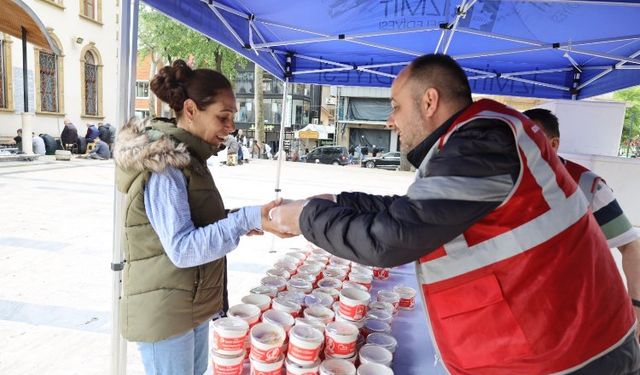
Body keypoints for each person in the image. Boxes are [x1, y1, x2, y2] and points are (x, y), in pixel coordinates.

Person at [268, 54, 639, 374]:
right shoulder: (475, 137)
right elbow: (416, 210)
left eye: (396, 106)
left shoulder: (482, 142)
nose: (389, 122)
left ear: (429, 101)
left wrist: (306, 217)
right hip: (555, 345)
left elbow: (392, 238)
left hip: (569, 357)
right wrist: (337, 200)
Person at [113, 59, 284, 375]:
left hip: (188, 303)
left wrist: (242, 219)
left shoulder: (190, 158)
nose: (230, 127)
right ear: (190, 110)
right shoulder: (164, 163)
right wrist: (243, 220)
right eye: (223, 117)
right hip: (165, 311)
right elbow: (182, 248)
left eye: (233, 117)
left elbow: (187, 222)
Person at [524, 108, 640, 324]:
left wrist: (636, 305)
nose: (520, 149)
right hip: (524, 313)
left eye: (529, 141)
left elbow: (631, 246)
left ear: (553, 144)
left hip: (579, 314)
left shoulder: (587, 185)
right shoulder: (502, 185)